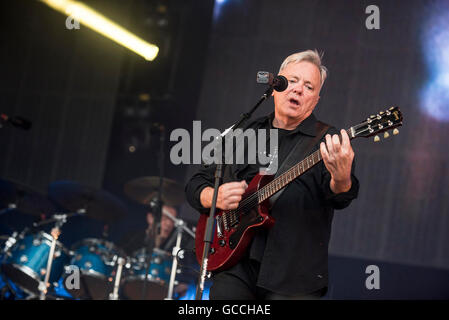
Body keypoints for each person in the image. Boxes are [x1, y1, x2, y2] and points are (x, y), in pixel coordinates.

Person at [185, 50, 359, 300]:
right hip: (235, 262)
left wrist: (342, 179)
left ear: (316, 100)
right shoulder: (246, 131)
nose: (298, 90)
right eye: (292, 81)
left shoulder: (328, 142)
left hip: (294, 276)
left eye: (309, 86)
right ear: (276, 85)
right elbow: (196, 183)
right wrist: (214, 196)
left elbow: (342, 197)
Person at [119, 204, 191, 299]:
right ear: (150, 218)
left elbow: (183, 278)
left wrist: (180, 286)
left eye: (172, 221)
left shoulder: (175, 248)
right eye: (165, 218)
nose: (169, 224)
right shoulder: (132, 238)